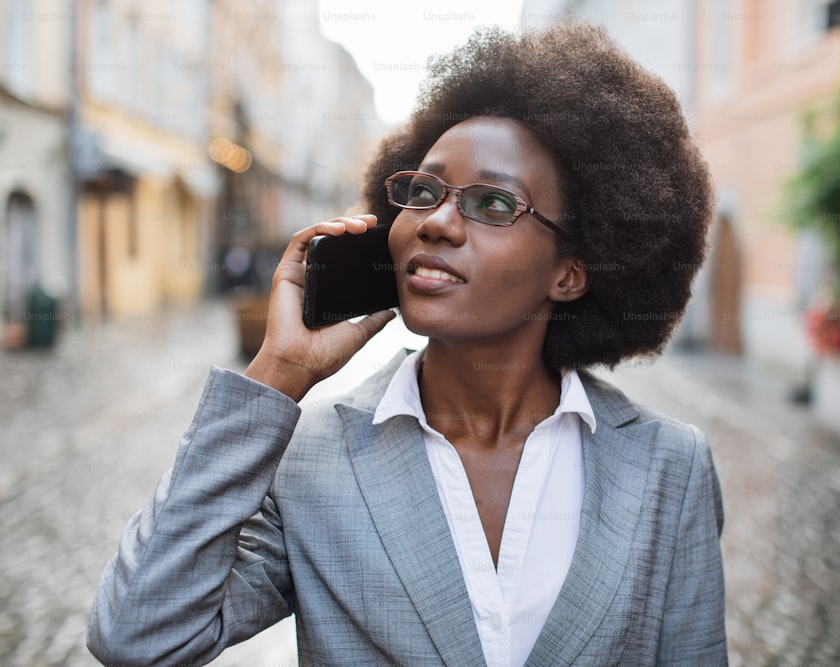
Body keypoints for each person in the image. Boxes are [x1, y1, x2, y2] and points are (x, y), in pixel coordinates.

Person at [87, 21, 726, 666]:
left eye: (495, 205)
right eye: (423, 191)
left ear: (569, 273)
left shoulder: (668, 468)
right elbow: (139, 636)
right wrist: (278, 372)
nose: (438, 222)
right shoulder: (310, 459)